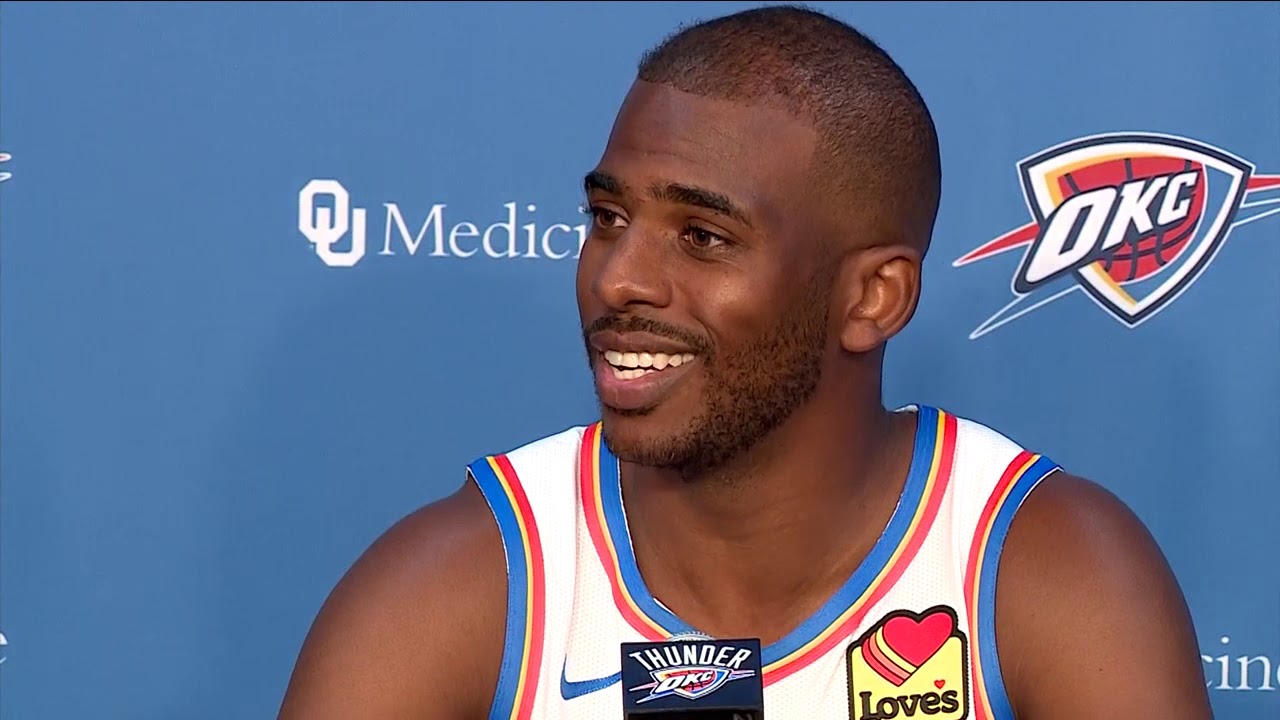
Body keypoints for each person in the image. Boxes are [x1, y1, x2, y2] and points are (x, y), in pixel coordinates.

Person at [278, 5, 1212, 719]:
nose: (618, 279)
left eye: (702, 235)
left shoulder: (1044, 571)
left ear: (872, 298)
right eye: (608, 219)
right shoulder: (457, 583)